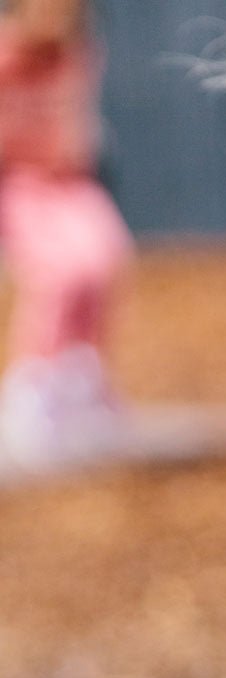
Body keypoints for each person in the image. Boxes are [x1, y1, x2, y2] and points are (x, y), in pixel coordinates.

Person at [0, 0, 132, 469]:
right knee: (62, 273)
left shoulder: (77, 53)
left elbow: (78, 127)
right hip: (21, 184)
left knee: (105, 256)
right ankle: (33, 389)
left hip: (70, 182)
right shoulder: (7, 55)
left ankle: (81, 377)